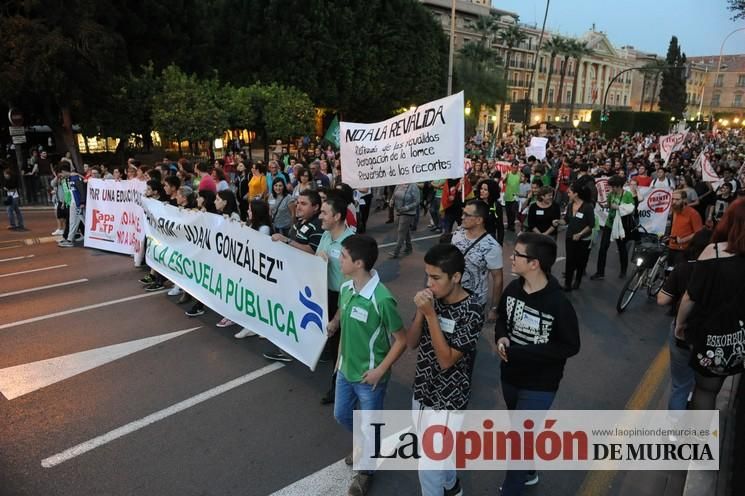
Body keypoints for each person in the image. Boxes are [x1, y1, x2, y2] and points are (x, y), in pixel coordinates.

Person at [494, 232, 580, 495]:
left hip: (540, 385)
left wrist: (523, 353)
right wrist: (502, 338)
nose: (511, 257)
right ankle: (529, 470)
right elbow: (501, 320)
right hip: (510, 377)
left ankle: (511, 489)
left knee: (519, 440)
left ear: (534, 264)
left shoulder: (559, 302)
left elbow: (570, 346)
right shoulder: (512, 289)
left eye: (517, 254)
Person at [406, 244, 484, 496]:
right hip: (422, 389)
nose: (430, 283)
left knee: (428, 468)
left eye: (436, 277)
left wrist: (431, 316)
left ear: (456, 277)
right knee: (433, 453)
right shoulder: (432, 301)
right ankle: (452, 485)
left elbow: (447, 360)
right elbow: (411, 342)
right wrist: (421, 313)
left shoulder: (472, 310)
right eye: (428, 275)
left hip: (449, 399)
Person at [332, 234, 406, 496]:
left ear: (359, 262)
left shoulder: (383, 299)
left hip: (369, 377)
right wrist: (334, 327)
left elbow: (401, 340)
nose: (338, 259)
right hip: (345, 370)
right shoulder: (346, 286)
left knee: (370, 425)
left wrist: (379, 371)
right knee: (341, 415)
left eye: (343, 256)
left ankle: (366, 473)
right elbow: (344, 313)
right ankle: (364, 443)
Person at [675, 199, 745, 410]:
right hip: (740, 336)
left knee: (705, 390)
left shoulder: (713, 251)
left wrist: (679, 325)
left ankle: (699, 439)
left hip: (712, 333)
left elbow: (690, 297)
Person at [256, 190, 323, 353]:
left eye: (303, 203)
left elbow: (313, 252)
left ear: (315, 207)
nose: (298, 206)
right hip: (292, 276)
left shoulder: (318, 226)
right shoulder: (301, 222)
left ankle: (294, 350)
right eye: (298, 202)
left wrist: (287, 240)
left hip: (305, 281)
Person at [657, 229, 711, 420]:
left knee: (680, 384)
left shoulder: (683, 268)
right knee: (705, 387)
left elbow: (662, 300)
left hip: (684, 332)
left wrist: (679, 322)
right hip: (709, 335)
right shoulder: (720, 270)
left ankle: (673, 428)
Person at [316, 193, 356, 402]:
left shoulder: (350, 245)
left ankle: (339, 390)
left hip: (342, 301)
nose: (320, 216)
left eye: (324, 212)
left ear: (338, 216)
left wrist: (337, 318)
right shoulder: (326, 235)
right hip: (326, 297)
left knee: (341, 348)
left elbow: (351, 288)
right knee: (334, 347)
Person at [451, 200, 503, 321]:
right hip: (451, 293)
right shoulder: (458, 232)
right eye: (463, 213)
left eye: (467, 215)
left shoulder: (491, 246)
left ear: (479, 220)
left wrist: (494, 308)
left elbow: (498, 278)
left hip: (474, 301)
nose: (462, 217)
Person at [591, 175, 635, 280]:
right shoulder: (611, 194)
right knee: (603, 248)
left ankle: (623, 271)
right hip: (609, 224)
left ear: (618, 186)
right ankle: (600, 272)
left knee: (622, 248)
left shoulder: (627, 195)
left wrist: (619, 207)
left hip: (620, 226)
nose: (611, 189)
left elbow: (631, 209)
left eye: (613, 187)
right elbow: (609, 205)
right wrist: (604, 205)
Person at [553, 182, 595, 291]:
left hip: (583, 239)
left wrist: (580, 234)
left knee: (580, 261)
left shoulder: (588, 207)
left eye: (570, 192)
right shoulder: (571, 205)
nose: (568, 194)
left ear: (576, 194)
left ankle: (577, 280)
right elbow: (566, 220)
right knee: (570, 260)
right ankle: (567, 283)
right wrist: (559, 221)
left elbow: (591, 225)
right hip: (570, 236)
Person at [667, 190, 703, 267]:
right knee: (668, 271)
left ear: (684, 200)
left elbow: (699, 233)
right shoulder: (674, 211)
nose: (674, 202)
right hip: (671, 247)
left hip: (684, 250)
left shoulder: (693, 213)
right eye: (672, 199)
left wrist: (682, 240)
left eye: (677, 199)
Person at [388, 182, 420, 259]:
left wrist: (407, 207)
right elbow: (394, 195)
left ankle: (396, 251)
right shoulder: (399, 184)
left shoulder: (413, 186)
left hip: (408, 212)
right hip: (400, 211)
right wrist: (391, 200)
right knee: (405, 230)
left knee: (401, 231)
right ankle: (409, 248)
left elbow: (417, 201)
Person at [57, 164, 86, 247]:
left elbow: (81, 190)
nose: (61, 176)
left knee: (84, 221)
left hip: (78, 204)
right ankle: (70, 240)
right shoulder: (70, 178)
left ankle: (93, 238)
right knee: (73, 222)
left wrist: (82, 202)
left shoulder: (76, 178)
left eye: (61, 174)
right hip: (73, 204)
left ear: (63, 172)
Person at [477, 179, 504, 245]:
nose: (482, 191)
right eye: (481, 189)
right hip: (476, 236)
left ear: (491, 191)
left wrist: (500, 244)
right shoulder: (476, 203)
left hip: (489, 237)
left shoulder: (496, 205)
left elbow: (500, 226)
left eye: (485, 190)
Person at [503, 162, 521, 231]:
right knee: (508, 212)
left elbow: (522, 181)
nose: (515, 169)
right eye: (514, 167)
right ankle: (509, 224)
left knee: (513, 212)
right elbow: (503, 182)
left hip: (515, 197)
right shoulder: (508, 174)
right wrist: (505, 178)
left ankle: (512, 225)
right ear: (511, 167)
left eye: (517, 168)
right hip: (508, 196)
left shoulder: (519, 175)